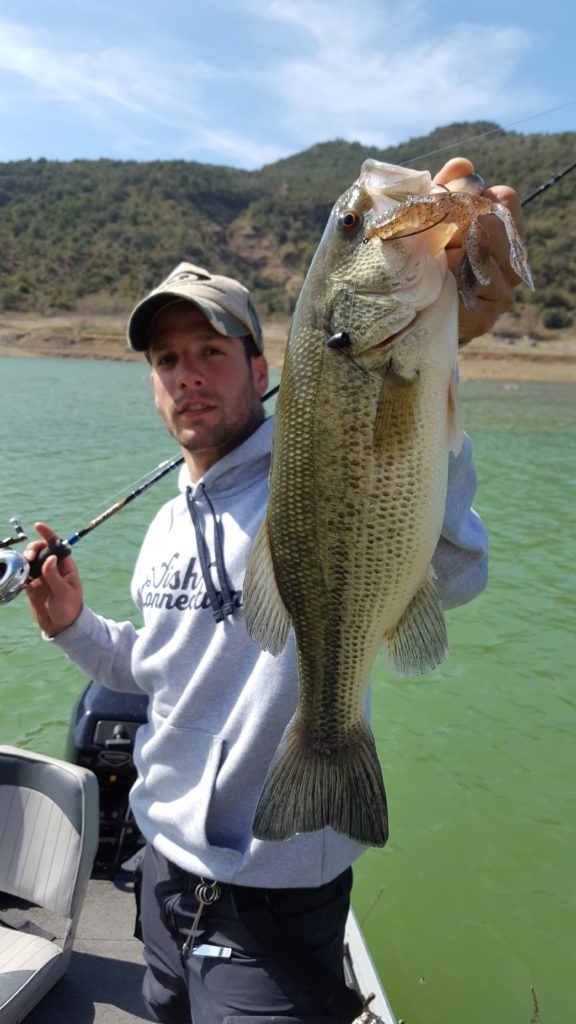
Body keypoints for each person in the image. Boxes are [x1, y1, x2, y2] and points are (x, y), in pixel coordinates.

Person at [24, 158, 525, 1024]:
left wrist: (444, 371)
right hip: (161, 877)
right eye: (168, 359)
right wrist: (74, 628)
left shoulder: (305, 471)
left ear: (261, 367)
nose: (188, 375)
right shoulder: (165, 528)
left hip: (277, 901)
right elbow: (162, 672)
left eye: (211, 353)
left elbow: (454, 569)